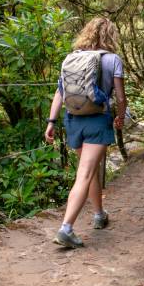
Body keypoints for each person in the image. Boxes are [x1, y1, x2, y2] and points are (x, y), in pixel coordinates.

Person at [44, 17, 127, 248]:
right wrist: (120, 116)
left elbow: (60, 93)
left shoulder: (72, 58)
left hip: (73, 120)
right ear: (110, 35)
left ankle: (99, 214)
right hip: (97, 120)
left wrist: (51, 121)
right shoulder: (112, 60)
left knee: (87, 171)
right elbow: (120, 97)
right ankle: (66, 229)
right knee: (85, 174)